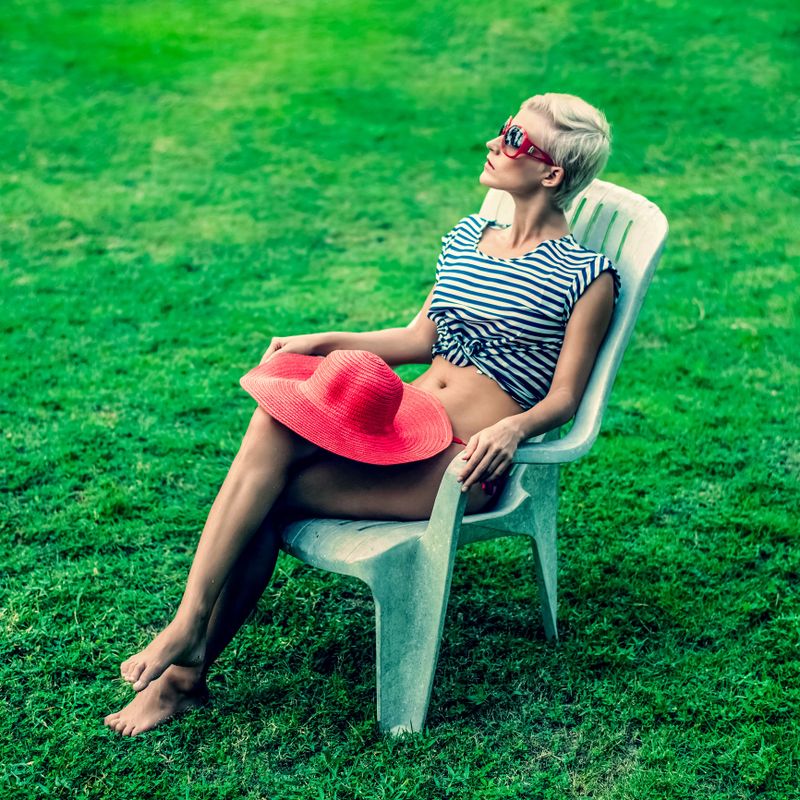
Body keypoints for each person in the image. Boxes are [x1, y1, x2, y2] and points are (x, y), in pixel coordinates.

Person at [103, 92, 621, 736]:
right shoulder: (470, 236)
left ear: (551, 174)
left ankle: (183, 670)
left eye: (516, 138)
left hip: (462, 463)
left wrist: (511, 428)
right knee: (274, 421)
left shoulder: (585, 275)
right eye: (503, 128)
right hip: (406, 422)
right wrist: (323, 341)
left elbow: (566, 398)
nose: (495, 142)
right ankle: (187, 635)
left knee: (269, 495)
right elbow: (417, 338)